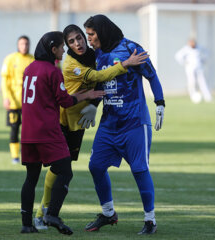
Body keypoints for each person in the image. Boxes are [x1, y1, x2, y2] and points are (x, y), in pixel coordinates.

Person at [32, 24, 149, 230]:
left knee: (62, 168)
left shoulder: (95, 54)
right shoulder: (70, 64)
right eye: (71, 41)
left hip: (79, 123)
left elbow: (100, 85)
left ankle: (44, 213)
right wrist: (126, 63)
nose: (78, 43)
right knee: (59, 168)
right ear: (66, 46)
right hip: (63, 121)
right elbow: (98, 78)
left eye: (79, 38)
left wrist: (94, 105)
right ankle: (41, 213)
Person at [83, 15, 165, 235]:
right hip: (109, 124)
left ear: (102, 31)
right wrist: (93, 104)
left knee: (139, 169)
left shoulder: (131, 48)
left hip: (134, 122)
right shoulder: (98, 54)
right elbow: (103, 81)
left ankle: (150, 220)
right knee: (96, 167)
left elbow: (152, 75)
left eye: (91, 34)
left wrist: (160, 102)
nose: (89, 39)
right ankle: (108, 213)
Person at [20, 31, 104, 234]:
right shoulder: (52, 70)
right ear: (53, 49)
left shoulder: (29, 69)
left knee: (31, 178)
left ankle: (26, 224)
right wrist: (88, 95)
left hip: (28, 132)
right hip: (47, 131)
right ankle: (52, 214)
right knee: (65, 170)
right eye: (61, 46)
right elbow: (65, 101)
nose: (65, 49)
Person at [1, 36, 34, 164]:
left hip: (29, 103)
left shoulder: (33, 60)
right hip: (14, 102)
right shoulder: (10, 59)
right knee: (14, 129)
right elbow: (5, 81)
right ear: (18, 45)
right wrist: (6, 98)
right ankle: (15, 156)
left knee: (29, 131)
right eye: (22, 44)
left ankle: (28, 155)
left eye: (26, 44)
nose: (24, 46)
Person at [175, 38, 213, 103]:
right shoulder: (186, 49)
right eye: (191, 43)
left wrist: (203, 60)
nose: (192, 44)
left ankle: (208, 97)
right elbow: (178, 56)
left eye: (193, 43)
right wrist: (184, 62)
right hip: (190, 68)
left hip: (199, 67)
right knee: (191, 82)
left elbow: (207, 52)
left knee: (202, 82)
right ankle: (193, 96)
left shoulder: (199, 47)